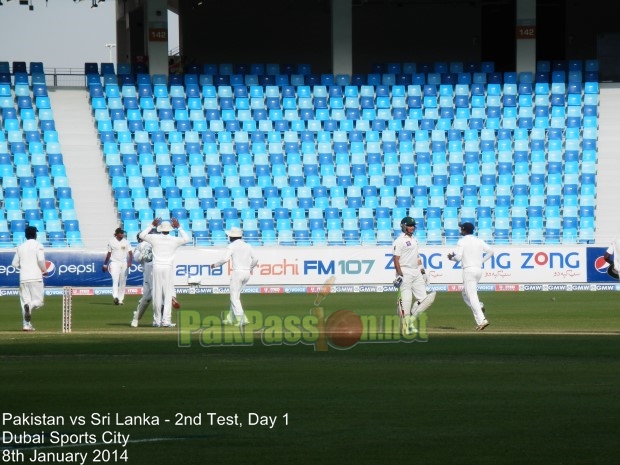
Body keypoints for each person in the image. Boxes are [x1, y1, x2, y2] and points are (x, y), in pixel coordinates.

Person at [138, 218, 190, 327]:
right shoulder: (174, 239)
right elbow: (187, 239)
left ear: (160, 229)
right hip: (167, 268)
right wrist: (179, 227)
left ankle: (157, 321)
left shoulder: (154, 238)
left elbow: (141, 236)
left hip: (156, 267)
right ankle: (166, 321)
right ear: (171, 229)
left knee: (157, 295)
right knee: (167, 295)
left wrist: (151, 225)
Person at [392, 216, 436, 336]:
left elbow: (417, 257)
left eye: (413, 226)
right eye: (409, 226)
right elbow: (396, 259)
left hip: (416, 272)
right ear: (404, 226)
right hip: (405, 271)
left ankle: (410, 322)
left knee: (426, 299)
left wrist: (423, 272)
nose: (412, 228)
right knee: (406, 301)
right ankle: (406, 326)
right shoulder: (399, 241)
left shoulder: (415, 240)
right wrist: (399, 274)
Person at [447, 222, 494, 331]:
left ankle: (482, 320)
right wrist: (481, 261)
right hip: (478, 270)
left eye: (461, 229)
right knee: (465, 293)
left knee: (472, 295)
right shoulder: (479, 240)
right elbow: (491, 251)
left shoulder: (462, 241)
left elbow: (458, 258)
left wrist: (451, 258)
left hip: (468, 270)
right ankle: (480, 306)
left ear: (464, 230)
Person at [130, 231, 182, 327]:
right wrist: (142, 255)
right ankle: (136, 318)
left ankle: (161, 320)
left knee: (163, 296)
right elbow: (137, 258)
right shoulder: (140, 246)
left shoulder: (158, 243)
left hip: (159, 272)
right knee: (146, 300)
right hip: (149, 278)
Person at [210, 226, 258, 326]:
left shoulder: (232, 246)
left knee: (234, 298)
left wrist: (215, 265)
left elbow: (224, 259)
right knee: (236, 296)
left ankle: (242, 319)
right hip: (246, 273)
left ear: (232, 237)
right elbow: (256, 259)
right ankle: (230, 318)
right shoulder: (247, 245)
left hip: (237, 273)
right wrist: (250, 268)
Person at [11, 226, 47, 332]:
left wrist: (24, 267)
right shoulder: (38, 245)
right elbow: (41, 260)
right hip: (36, 277)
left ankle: (26, 325)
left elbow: (14, 264)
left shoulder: (20, 247)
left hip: (23, 278)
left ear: (26, 235)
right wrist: (44, 270)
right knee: (39, 302)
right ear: (35, 234)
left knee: (25, 302)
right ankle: (29, 306)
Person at [102, 227, 132, 305]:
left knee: (123, 281)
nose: (122, 234)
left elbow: (130, 253)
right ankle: (115, 297)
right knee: (115, 280)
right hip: (114, 262)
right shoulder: (111, 241)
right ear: (116, 234)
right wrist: (105, 264)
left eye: (122, 233)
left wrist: (130, 262)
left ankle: (121, 299)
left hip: (124, 263)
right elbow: (109, 254)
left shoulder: (126, 242)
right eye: (120, 233)